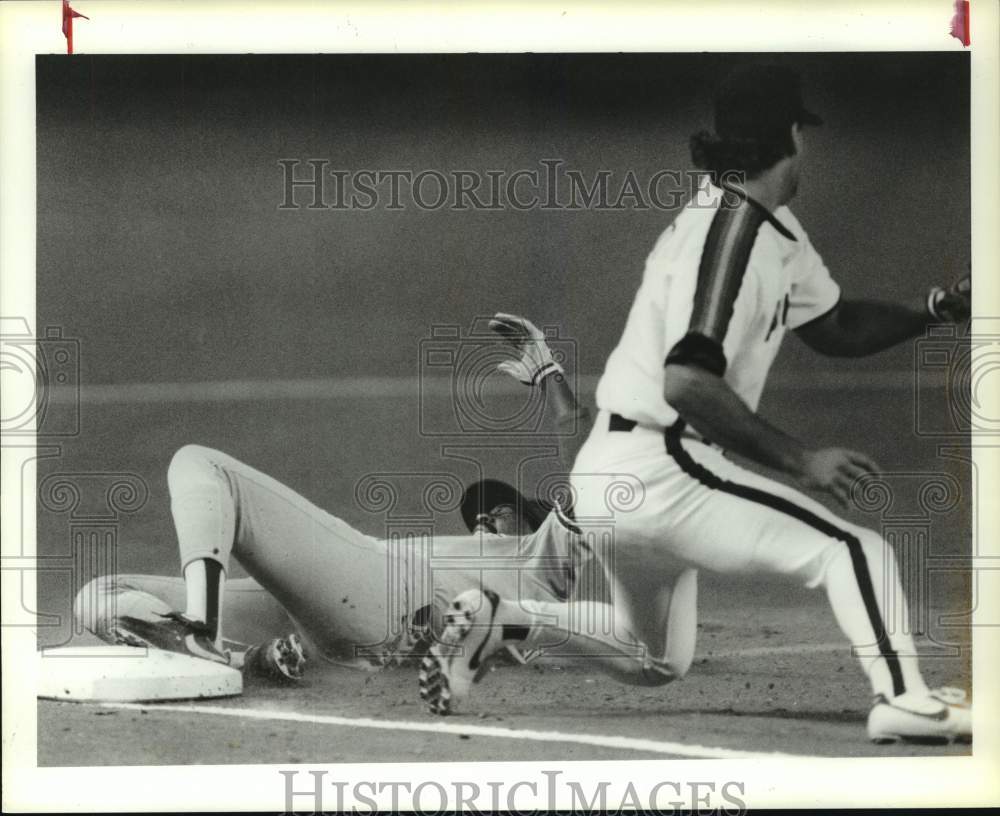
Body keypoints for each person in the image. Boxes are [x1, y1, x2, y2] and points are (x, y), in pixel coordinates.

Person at [430, 65, 973, 744]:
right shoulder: (731, 235)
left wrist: (935, 310)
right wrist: (801, 460)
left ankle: (500, 619)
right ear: (794, 136)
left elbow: (835, 327)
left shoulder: (763, 226)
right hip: (664, 467)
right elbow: (687, 381)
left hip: (610, 476)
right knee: (852, 550)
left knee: (655, 656)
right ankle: (906, 700)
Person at [74, 315, 697, 703]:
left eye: (500, 512)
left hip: (385, 599)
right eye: (479, 515)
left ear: (537, 520)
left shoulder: (545, 562)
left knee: (199, 464)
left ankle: (202, 636)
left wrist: (550, 376)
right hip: (335, 629)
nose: (485, 520)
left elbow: (590, 466)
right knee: (102, 595)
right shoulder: (493, 568)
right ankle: (246, 660)